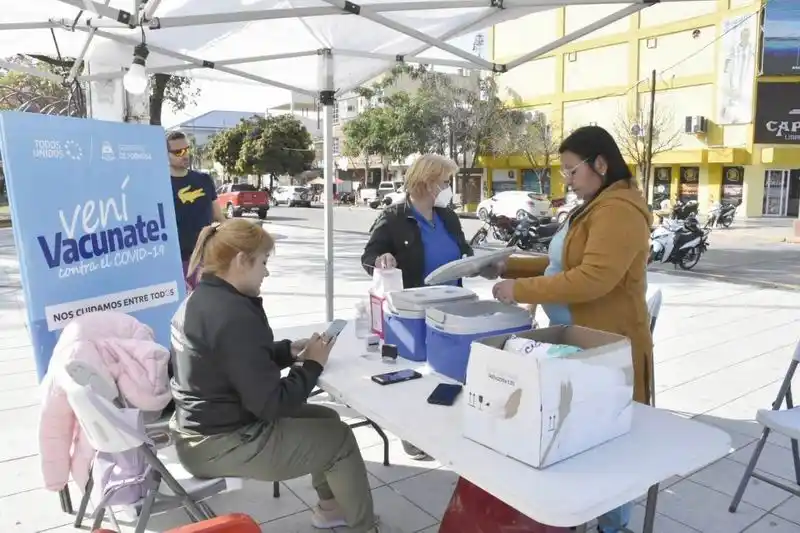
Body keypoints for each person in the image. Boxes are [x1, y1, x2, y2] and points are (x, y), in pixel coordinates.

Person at [170, 219, 383, 533]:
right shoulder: (233, 314)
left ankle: (330, 510)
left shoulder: (202, 299)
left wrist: (287, 351)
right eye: (263, 263)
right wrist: (312, 365)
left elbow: (233, 358)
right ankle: (364, 528)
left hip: (200, 432)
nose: (267, 273)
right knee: (340, 440)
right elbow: (272, 405)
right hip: (219, 443)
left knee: (327, 418)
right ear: (241, 261)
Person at [490, 125, 653, 533]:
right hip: (577, 341)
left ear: (601, 164)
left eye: (572, 170)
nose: (567, 180)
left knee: (608, 443)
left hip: (607, 345)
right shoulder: (593, 204)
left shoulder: (619, 210)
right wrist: (509, 266)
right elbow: (562, 265)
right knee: (580, 436)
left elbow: (593, 278)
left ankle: (613, 526)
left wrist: (520, 289)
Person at [361, 155, 472, 460]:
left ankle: (445, 428)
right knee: (416, 375)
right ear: (427, 182)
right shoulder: (393, 218)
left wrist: (480, 263)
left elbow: (464, 251)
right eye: (445, 181)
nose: (448, 187)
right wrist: (381, 259)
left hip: (452, 309)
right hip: (414, 313)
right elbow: (369, 256)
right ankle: (412, 433)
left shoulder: (448, 217)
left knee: (449, 372)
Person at [167, 131, 224, 290]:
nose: (185, 155)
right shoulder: (161, 183)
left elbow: (219, 217)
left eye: (187, 149)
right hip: (176, 261)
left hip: (206, 258)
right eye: (178, 152)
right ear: (166, 154)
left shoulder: (204, 180)